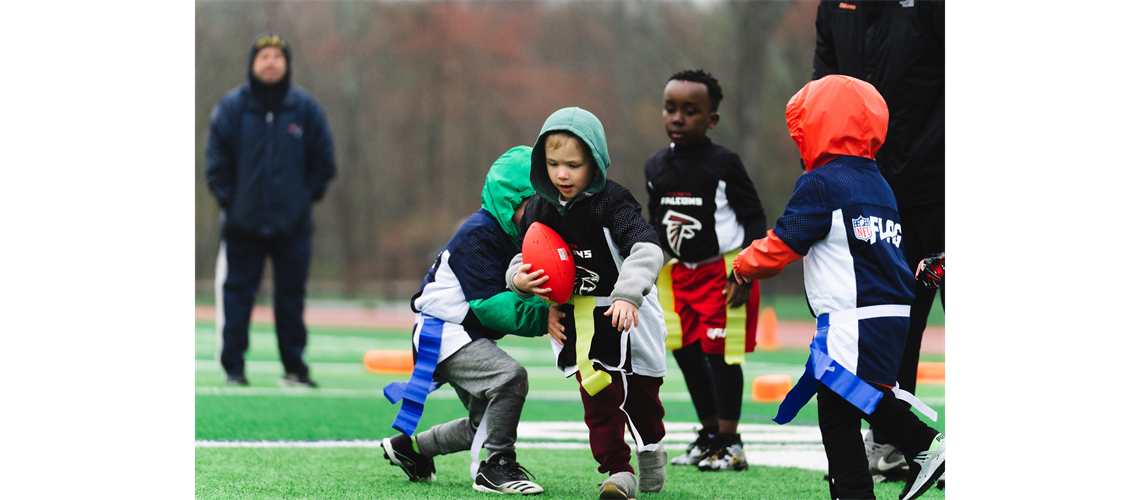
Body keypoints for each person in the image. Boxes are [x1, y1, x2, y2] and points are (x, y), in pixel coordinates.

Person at [732, 75, 946, 500]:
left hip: (854, 315)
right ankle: (922, 448)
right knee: (859, 397)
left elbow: (784, 243)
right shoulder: (879, 182)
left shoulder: (822, 182)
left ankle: (920, 448)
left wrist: (742, 264)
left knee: (837, 414)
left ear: (815, 125)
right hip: (891, 312)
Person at [811, 0, 947, 480]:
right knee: (889, 323)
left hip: (937, 187)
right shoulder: (836, 6)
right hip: (870, 192)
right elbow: (820, 97)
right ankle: (891, 444)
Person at [508, 107, 668, 500]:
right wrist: (519, 280)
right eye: (553, 164)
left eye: (573, 165)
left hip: (629, 309)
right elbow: (523, 256)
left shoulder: (612, 202)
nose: (562, 175)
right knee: (598, 397)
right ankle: (618, 471)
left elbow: (647, 250)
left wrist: (628, 296)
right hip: (580, 319)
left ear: (594, 162)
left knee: (642, 398)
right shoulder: (539, 208)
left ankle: (651, 449)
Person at [381, 146, 550, 495]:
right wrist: (544, 317)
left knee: (486, 424)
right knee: (510, 377)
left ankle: (411, 450)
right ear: (511, 199)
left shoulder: (512, 232)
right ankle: (496, 467)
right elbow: (489, 306)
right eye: (534, 204)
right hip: (441, 329)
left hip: (460, 330)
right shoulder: (479, 233)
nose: (540, 213)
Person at [642, 69, 767, 472]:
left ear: (711, 119)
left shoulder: (724, 162)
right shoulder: (655, 166)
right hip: (678, 277)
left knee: (722, 356)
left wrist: (745, 273)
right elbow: (656, 222)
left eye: (691, 111)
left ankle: (731, 444)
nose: (677, 118)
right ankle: (710, 435)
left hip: (724, 274)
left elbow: (753, 217)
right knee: (686, 354)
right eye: (670, 108)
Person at [205, 31, 336, 388]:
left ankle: (294, 368)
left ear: (286, 64)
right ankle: (233, 368)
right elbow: (216, 163)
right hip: (241, 227)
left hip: (292, 228)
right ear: (253, 63)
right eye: (263, 56)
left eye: (277, 56)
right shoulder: (231, 108)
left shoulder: (305, 109)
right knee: (237, 298)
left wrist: (302, 199)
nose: (270, 62)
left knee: (290, 301)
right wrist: (232, 202)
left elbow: (324, 162)